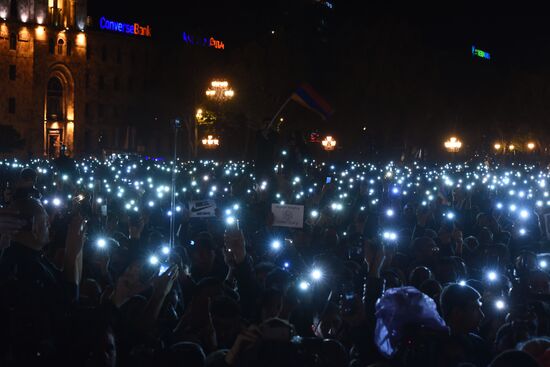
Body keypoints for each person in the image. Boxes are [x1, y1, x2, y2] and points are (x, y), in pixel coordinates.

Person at [440, 283, 492, 366]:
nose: (482, 315)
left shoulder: (478, 343)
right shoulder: (436, 349)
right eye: (474, 309)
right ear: (457, 312)